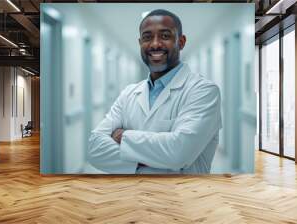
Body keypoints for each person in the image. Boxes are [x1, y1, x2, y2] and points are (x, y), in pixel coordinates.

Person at [88, 9, 222, 174]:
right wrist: (157, 161)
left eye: (165, 36)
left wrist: (124, 137)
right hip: (131, 196)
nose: (155, 44)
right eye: (147, 37)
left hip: (183, 196)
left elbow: (179, 153)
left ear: (181, 42)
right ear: (140, 43)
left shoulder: (204, 91)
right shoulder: (128, 93)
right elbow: (95, 148)